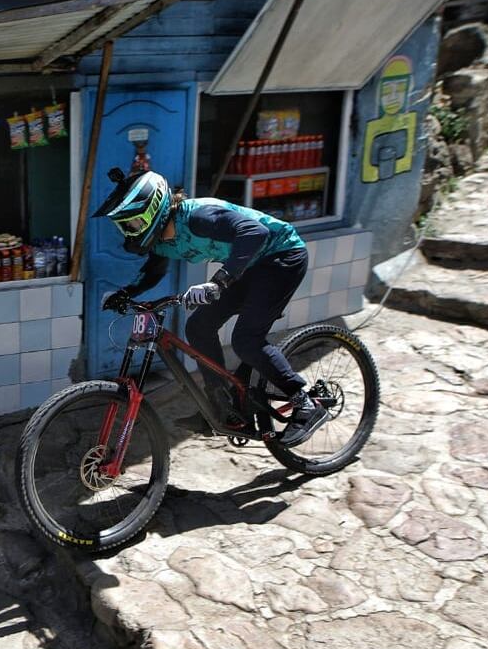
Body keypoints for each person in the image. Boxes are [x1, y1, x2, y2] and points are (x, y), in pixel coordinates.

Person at [94, 168, 326, 448]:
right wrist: (125, 293)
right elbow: (154, 273)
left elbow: (256, 232)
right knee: (198, 327)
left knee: (246, 340)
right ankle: (223, 405)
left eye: (131, 224)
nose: (128, 232)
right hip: (249, 267)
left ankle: (305, 401)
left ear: (152, 210)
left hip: (281, 257)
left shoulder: (198, 217)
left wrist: (218, 282)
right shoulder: (161, 243)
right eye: (124, 226)